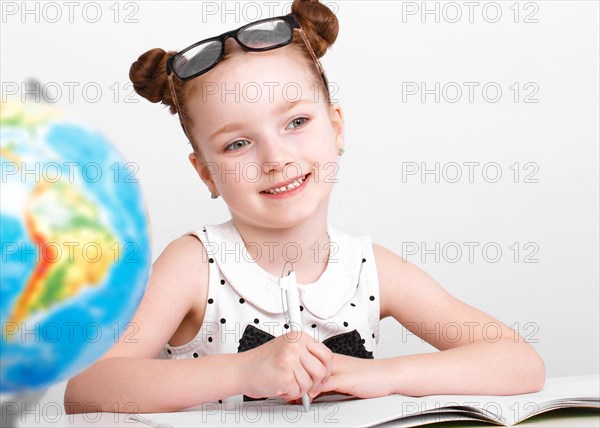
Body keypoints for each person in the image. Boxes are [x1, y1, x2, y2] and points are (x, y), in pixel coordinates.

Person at [65, 0, 545, 414]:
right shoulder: (195, 265)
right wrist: (239, 373)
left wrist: (379, 376)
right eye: (237, 145)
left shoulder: (369, 269)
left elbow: (519, 362)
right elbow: (87, 390)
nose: (276, 160)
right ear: (205, 172)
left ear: (336, 128)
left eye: (296, 121)